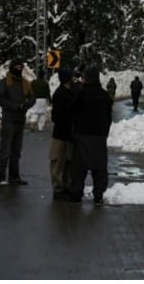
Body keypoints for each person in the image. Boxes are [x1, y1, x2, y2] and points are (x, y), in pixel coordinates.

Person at [67, 66, 113, 205]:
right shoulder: (104, 95)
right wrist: (104, 133)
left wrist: (74, 132)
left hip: (83, 135)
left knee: (79, 168)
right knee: (99, 168)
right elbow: (108, 117)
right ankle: (98, 195)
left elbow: (72, 111)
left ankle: (76, 194)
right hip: (99, 137)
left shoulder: (82, 94)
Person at [0, 58, 36, 186]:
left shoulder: (25, 83)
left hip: (20, 119)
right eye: (16, 67)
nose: (18, 69)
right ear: (12, 67)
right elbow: (0, 99)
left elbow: (32, 97)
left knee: (16, 151)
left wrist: (26, 105)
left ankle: (14, 177)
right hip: (8, 119)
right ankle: (1, 177)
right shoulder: (4, 82)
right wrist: (14, 106)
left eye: (20, 67)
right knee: (5, 149)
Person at [49, 68, 75, 200]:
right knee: (58, 161)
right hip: (61, 133)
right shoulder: (60, 94)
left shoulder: (72, 92)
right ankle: (58, 188)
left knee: (68, 161)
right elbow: (56, 116)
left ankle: (65, 185)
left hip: (68, 133)